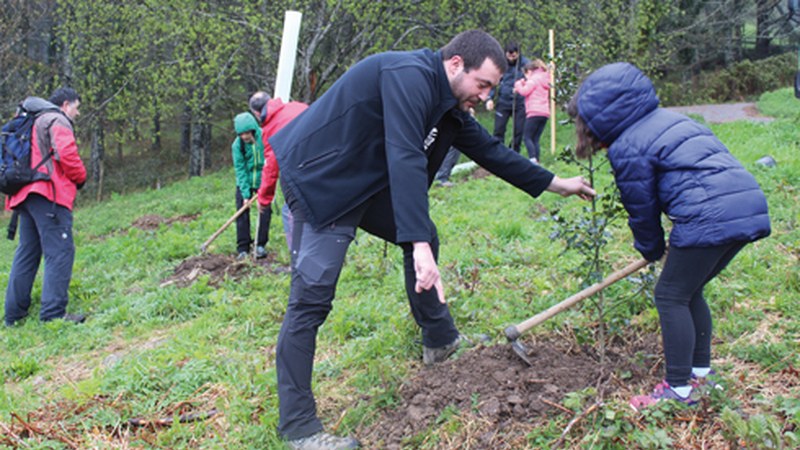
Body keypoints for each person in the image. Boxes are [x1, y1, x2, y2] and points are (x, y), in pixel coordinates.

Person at [270, 30, 595, 449]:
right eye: (482, 84)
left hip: (363, 183)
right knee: (311, 299)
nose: (485, 96)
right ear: (456, 64)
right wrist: (417, 244)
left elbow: (493, 152)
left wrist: (558, 183)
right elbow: (405, 153)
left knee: (426, 234)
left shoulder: (449, 106)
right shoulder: (407, 76)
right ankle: (299, 428)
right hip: (322, 182)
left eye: (491, 88)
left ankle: (440, 341)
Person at [567, 62, 770, 410]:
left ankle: (678, 389)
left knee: (670, 295)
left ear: (600, 116)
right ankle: (701, 376)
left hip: (709, 215)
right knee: (689, 291)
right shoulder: (672, 120)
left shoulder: (628, 144)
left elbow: (641, 207)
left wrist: (651, 248)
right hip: (746, 206)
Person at [4, 87, 87, 326]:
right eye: (76, 107)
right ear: (65, 105)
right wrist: (81, 177)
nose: (77, 113)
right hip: (47, 194)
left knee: (27, 252)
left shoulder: (30, 120)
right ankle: (53, 314)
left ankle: (14, 315)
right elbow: (67, 155)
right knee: (60, 250)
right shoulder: (56, 119)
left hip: (25, 196)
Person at [247, 91, 308, 250]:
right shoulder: (298, 106)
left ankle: (299, 257)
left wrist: (264, 199)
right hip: (328, 160)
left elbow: (271, 167)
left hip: (306, 171)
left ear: (256, 113)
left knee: (291, 213)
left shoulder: (271, 128)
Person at [231, 112, 271, 260]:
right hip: (245, 181)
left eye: (247, 133)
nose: (245, 137)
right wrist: (246, 195)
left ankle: (260, 245)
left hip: (263, 180)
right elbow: (240, 169)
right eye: (241, 134)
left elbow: (271, 159)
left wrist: (266, 184)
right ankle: (243, 248)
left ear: (253, 130)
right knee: (242, 213)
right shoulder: (237, 145)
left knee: (264, 211)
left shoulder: (265, 137)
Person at [485, 41, 528, 153]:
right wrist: (489, 98)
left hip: (520, 103)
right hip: (503, 101)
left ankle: (513, 153)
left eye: (514, 56)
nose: (511, 58)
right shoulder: (501, 64)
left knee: (518, 132)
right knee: (498, 130)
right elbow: (494, 81)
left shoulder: (525, 64)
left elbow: (533, 80)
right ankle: (497, 153)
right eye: (509, 56)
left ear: (518, 53)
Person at [514, 59, 550, 163]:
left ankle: (532, 159)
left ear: (529, 71)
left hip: (534, 112)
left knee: (527, 137)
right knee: (535, 138)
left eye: (525, 74)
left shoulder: (533, 80)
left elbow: (524, 91)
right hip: (544, 113)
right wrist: (524, 83)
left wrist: (518, 84)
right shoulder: (544, 79)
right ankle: (537, 160)